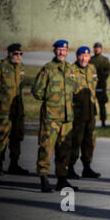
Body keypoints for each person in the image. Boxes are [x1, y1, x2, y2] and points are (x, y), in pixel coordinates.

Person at [32, 40, 79, 192]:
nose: (61, 53)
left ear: (67, 52)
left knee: (64, 149)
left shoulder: (71, 69)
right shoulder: (48, 69)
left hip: (67, 118)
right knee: (46, 147)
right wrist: (51, 101)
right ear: (54, 51)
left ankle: (62, 179)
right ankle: (44, 178)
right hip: (51, 117)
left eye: (64, 51)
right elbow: (37, 91)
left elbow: (76, 89)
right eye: (59, 50)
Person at [0, 43, 29, 177]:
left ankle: (14, 164)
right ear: (9, 53)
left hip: (18, 109)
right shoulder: (0, 66)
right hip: (4, 110)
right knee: (1, 137)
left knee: (17, 136)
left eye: (20, 54)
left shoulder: (20, 67)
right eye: (16, 53)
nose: (18, 56)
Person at [68, 46, 101, 179]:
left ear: (89, 57)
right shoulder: (71, 70)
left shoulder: (92, 69)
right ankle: (69, 167)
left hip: (90, 113)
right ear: (77, 56)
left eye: (86, 56)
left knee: (89, 142)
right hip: (77, 114)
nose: (84, 58)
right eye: (81, 56)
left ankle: (87, 168)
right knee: (75, 141)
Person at [89, 42, 110, 127]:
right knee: (91, 103)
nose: (96, 49)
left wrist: (101, 79)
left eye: (98, 48)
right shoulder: (91, 60)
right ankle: (92, 120)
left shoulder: (105, 60)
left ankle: (103, 121)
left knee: (102, 104)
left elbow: (107, 71)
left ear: (101, 49)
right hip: (92, 85)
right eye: (95, 48)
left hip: (101, 84)